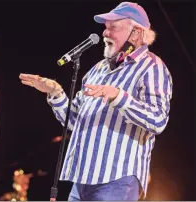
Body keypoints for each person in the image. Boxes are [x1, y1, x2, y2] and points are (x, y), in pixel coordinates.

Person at [19, 2, 173, 201]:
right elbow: (74, 121)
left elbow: (158, 119)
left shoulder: (152, 66)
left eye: (113, 27)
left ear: (135, 33)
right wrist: (56, 93)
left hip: (118, 178)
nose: (105, 33)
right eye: (105, 27)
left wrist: (118, 97)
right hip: (82, 178)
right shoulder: (97, 70)